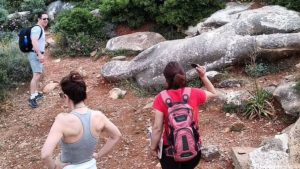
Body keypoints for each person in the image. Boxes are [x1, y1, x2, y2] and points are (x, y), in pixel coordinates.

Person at [41, 71, 122, 169]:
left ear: (66, 97)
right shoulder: (98, 116)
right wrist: (98, 155)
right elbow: (116, 135)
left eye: (61, 95)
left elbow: (45, 154)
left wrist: (54, 167)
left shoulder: (62, 120)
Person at [150, 61, 217, 169]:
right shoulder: (194, 93)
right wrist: (203, 76)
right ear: (183, 76)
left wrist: (153, 147)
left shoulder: (160, 98)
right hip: (193, 149)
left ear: (166, 79)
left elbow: (157, 128)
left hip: (169, 152)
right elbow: (214, 93)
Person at [28, 12, 48, 108]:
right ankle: (32, 98)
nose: (46, 20)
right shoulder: (36, 29)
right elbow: (34, 41)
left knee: (37, 74)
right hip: (35, 54)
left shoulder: (40, 29)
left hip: (36, 54)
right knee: (36, 75)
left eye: (47, 19)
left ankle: (36, 94)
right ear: (39, 19)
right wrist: (39, 54)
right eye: (44, 19)